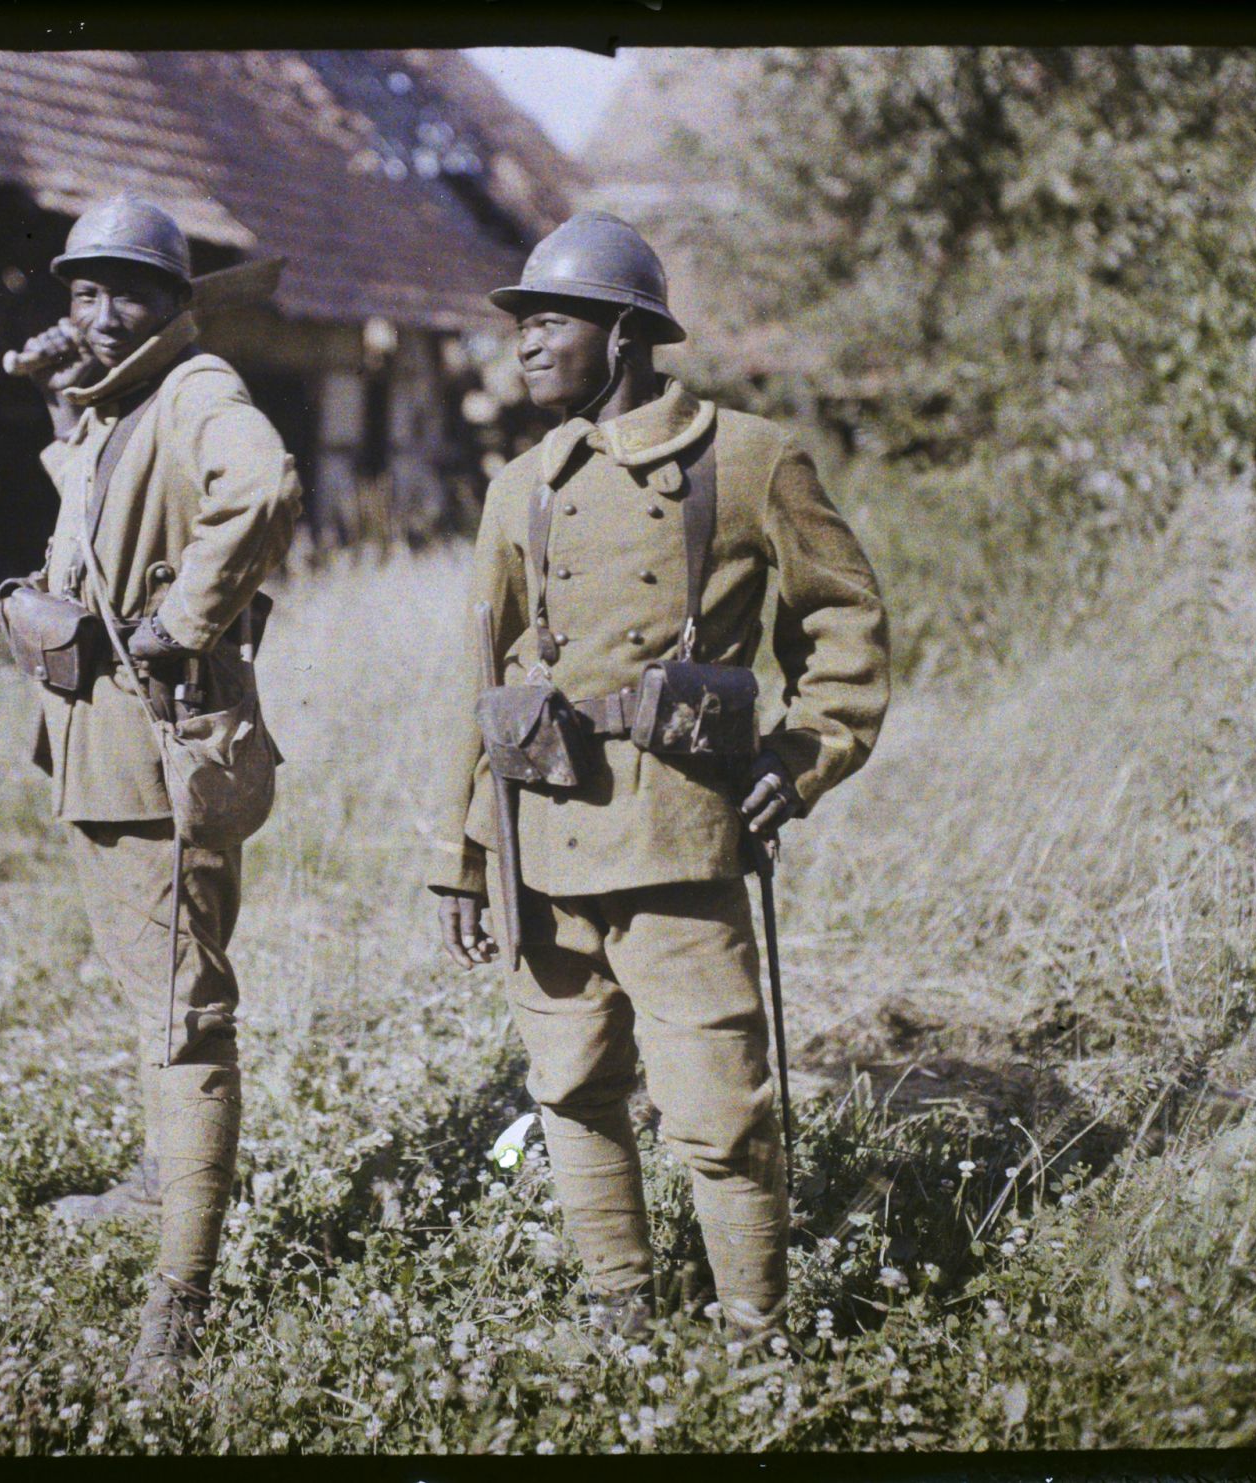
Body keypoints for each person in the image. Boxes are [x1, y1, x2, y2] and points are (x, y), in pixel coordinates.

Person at [425, 210, 890, 1341]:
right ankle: (620, 1316)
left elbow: (845, 625)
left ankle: (753, 1340)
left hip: (678, 842)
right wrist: (460, 854)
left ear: (625, 333)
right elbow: (480, 682)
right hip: (540, 845)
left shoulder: (745, 458)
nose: (525, 345)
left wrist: (800, 752)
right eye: (519, 325)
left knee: (720, 1111)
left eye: (551, 323)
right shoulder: (518, 486)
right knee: (569, 1089)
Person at [17, 194, 302, 1389]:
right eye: (79, 291)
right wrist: (60, 396)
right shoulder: (121, 400)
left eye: (123, 290)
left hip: (158, 752)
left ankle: (179, 1302)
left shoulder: (194, 392)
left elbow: (265, 489)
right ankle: (158, 1185)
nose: (95, 313)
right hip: (102, 751)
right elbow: (93, 518)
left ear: (177, 303)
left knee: (184, 1018)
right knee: (154, 994)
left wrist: (183, 621)